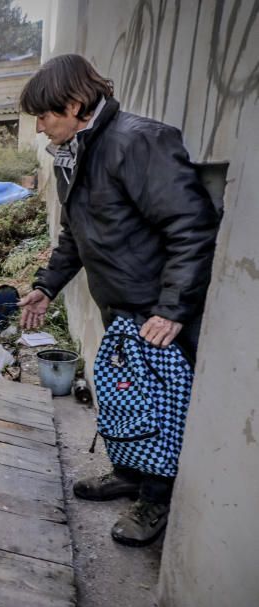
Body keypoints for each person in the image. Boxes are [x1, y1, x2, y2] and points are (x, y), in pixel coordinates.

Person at [18, 54, 219, 546]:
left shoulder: (138, 141)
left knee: (161, 410)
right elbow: (75, 236)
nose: (40, 129)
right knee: (125, 397)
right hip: (120, 308)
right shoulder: (74, 155)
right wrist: (46, 286)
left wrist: (172, 308)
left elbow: (190, 227)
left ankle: (156, 498)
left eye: (45, 116)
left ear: (74, 104)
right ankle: (129, 473)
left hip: (155, 313)